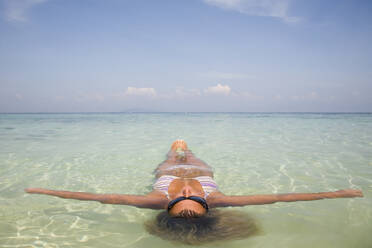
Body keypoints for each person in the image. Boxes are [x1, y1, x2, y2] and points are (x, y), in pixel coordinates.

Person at [25, 140, 363, 244]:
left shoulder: (156, 198)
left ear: (169, 209)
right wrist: (334, 194)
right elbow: (280, 197)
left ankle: (176, 149)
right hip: (204, 171)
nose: (187, 200)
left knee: (174, 154)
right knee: (193, 156)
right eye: (194, 207)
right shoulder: (216, 197)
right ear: (205, 207)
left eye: (181, 208)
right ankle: (188, 148)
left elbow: (96, 198)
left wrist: (43, 190)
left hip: (165, 172)